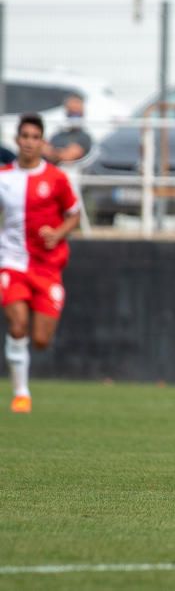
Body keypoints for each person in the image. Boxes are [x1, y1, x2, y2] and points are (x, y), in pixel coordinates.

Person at [0, 114, 81, 413]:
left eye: (35, 137)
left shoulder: (57, 179)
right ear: (17, 140)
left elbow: (74, 215)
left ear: (42, 141)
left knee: (41, 340)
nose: (30, 142)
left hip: (48, 266)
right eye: (25, 136)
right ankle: (21, 393)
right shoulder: (4, 177)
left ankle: (24, 380)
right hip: (12, 261)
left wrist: (57, 233)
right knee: (18, 325)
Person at [43, 94, 93, 165]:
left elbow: (68, 156)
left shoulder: (85, 137)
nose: (74, 115)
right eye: (71, 111)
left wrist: (53, 152)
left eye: (76, 112)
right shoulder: (57, 135)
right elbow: (45, 151)